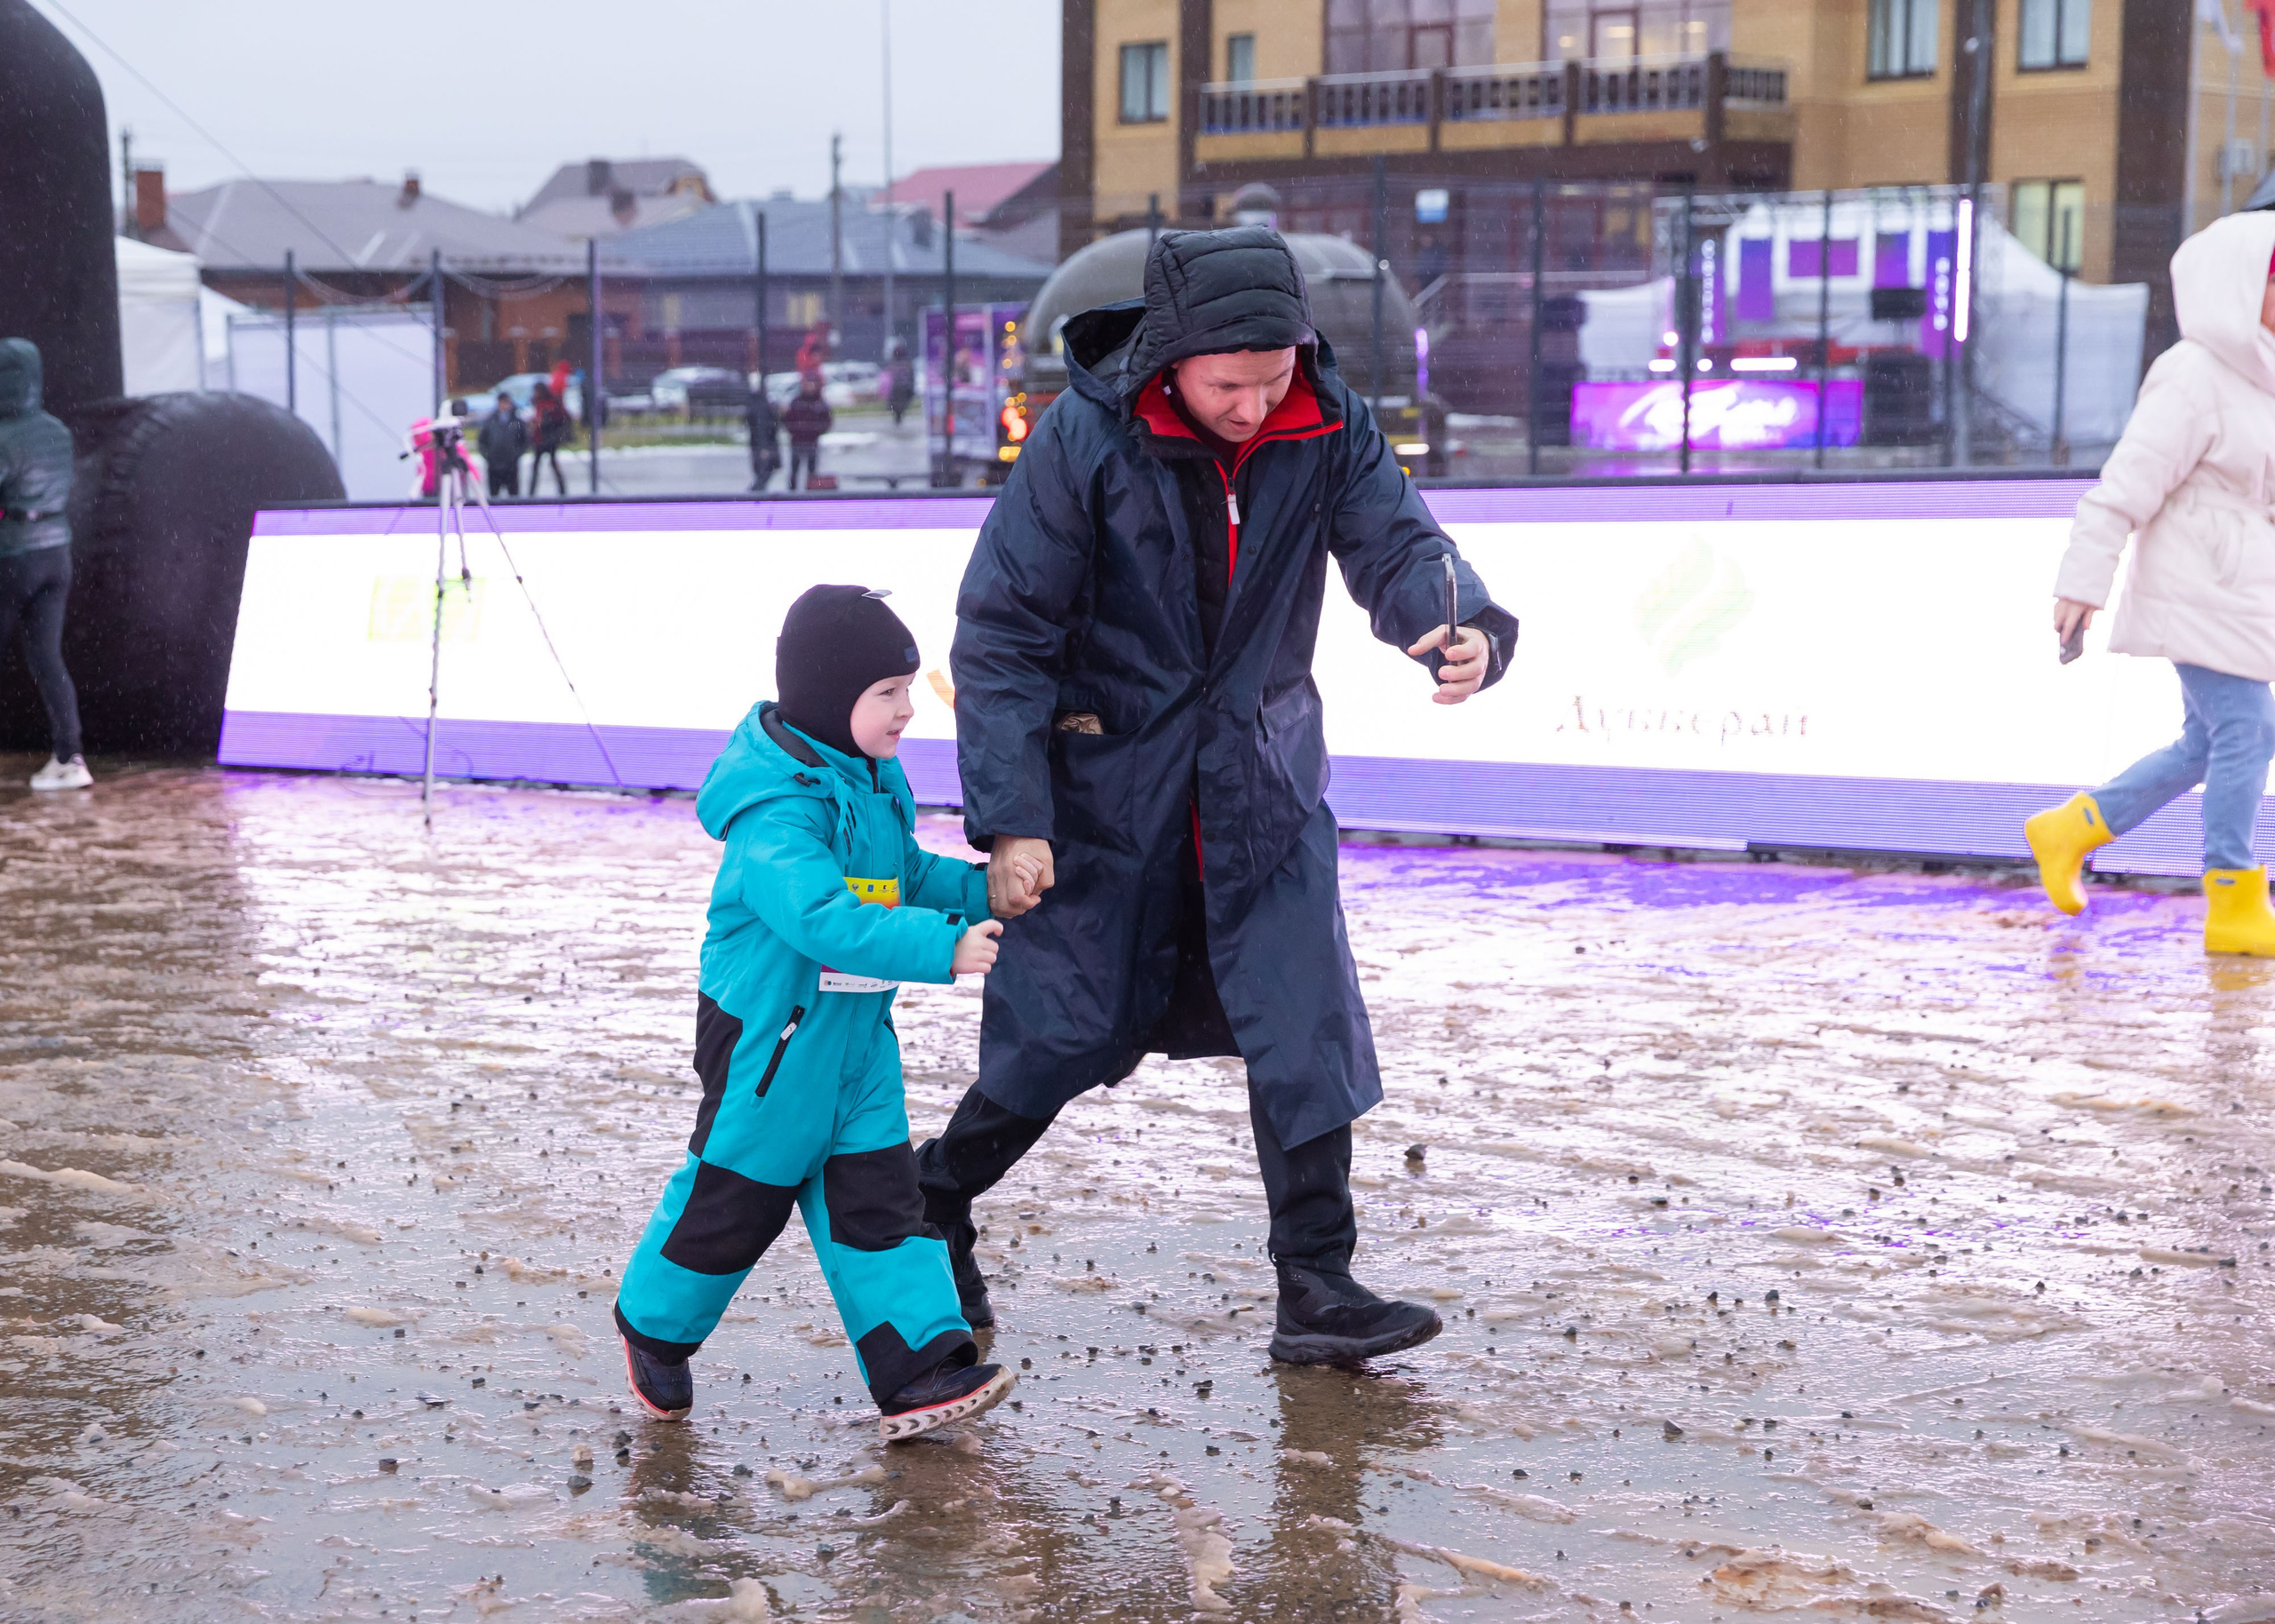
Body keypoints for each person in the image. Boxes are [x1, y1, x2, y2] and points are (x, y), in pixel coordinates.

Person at [918, 226, 1519, 1365]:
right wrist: (1014, 816)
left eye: (1274, 376)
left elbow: (1399, 546)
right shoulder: (1083, 439)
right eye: (1228, 384)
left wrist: (1461, 622)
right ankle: (935, 1197)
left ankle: (1318, 1286)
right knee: (1065, 1031)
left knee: (1303, 1020)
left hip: (1260, 784)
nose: (1254, 405)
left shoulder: (1327, 422)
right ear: (1170, 363)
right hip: (1112, 796)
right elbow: (1002, 637)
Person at [613, 585, 1032, 1439]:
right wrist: (941, 948)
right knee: (734, 1202)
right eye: (886, 693)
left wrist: (983, 888)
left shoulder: (871, 780)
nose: (908, 711)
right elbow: (823, 922)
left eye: (908, 689)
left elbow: (904, 875)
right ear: (827, 697)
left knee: (883, 1201)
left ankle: (921, 1366)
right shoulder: (774, 815)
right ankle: (652, 1326)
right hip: (770, 1046)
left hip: (856, 1041)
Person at [2029, 211, 2275, 955]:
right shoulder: (2192, 374)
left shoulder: (2265, 377)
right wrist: (2084, 584)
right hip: (2197, 586)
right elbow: (2123, 488)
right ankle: (2233, 898)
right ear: (2240, 287)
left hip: (2242, 588)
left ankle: (2070, 829)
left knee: (2205, 743)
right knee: (2248, 729)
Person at [0, 338, 90, 792]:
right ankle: (70, 758)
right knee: (47, 659)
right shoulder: (57, 430)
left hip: (12, 556)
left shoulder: (2, 434)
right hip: (57, 554)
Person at [783, 374, 833, 490]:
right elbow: (787, 420)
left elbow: (827, 421)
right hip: (797, 441)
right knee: (794, 469)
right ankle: (792, 493)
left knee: (812, 471)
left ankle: (810, 492)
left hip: (812, 441)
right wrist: (796, 430)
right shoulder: (797, 402)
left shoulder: (819, 403)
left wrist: (815, 430)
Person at [477, 391, 526, 499]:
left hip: (511, 465)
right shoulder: (490, 421)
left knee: (514, 497)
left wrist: (515, 454)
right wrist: (488, 456)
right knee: (494, 496)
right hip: (494, 465)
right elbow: (482, 441)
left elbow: (524, 440)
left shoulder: (516, 421)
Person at [529, 382, 572, 496]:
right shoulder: (538, 403)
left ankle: (562, 491)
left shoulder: (552, 404)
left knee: (552, 464)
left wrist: (544, 425)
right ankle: (532, 492)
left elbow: (559, 420)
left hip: (549, 439)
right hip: (540, 439)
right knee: (537, 466)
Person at [746, 383, 782, 491]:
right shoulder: (761, 408)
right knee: (764, 473)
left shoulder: (756, 406)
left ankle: (756, 495)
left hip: (763, 445)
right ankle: (755, 496)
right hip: (765, 446)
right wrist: (763, 447)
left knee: (764, 474)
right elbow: (761, 429)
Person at [887, 340, 915, 428]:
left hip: (898, 388)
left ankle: (898, 417)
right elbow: (911, 376)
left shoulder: (895, 363)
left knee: (898, 404)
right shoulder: (907, 363)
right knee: (900, 404)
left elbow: (891, 376)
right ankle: (898, 417)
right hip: (904, 388)